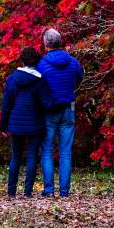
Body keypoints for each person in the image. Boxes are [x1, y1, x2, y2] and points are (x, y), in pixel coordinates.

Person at [37, 28, 83, 198]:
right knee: (65, 151)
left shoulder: (41, 64)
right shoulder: (73, 62)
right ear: (60, 42)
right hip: (68, 107)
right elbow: (79, 79)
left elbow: (38, 86)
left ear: (45, 43)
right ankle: (64, 191)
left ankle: (49, 190)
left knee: (47, 149)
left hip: (49, 110)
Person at [0, 46, 50, 198]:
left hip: (15, 123)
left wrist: (3, 125)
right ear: (36, 60)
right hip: (35, 122)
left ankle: (11, 191)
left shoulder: (12, 79)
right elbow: (45, 103)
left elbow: (6, 104)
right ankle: (27, 192)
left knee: (15, 156)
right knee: (32, 156)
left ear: (22, 60)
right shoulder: (40, 80)